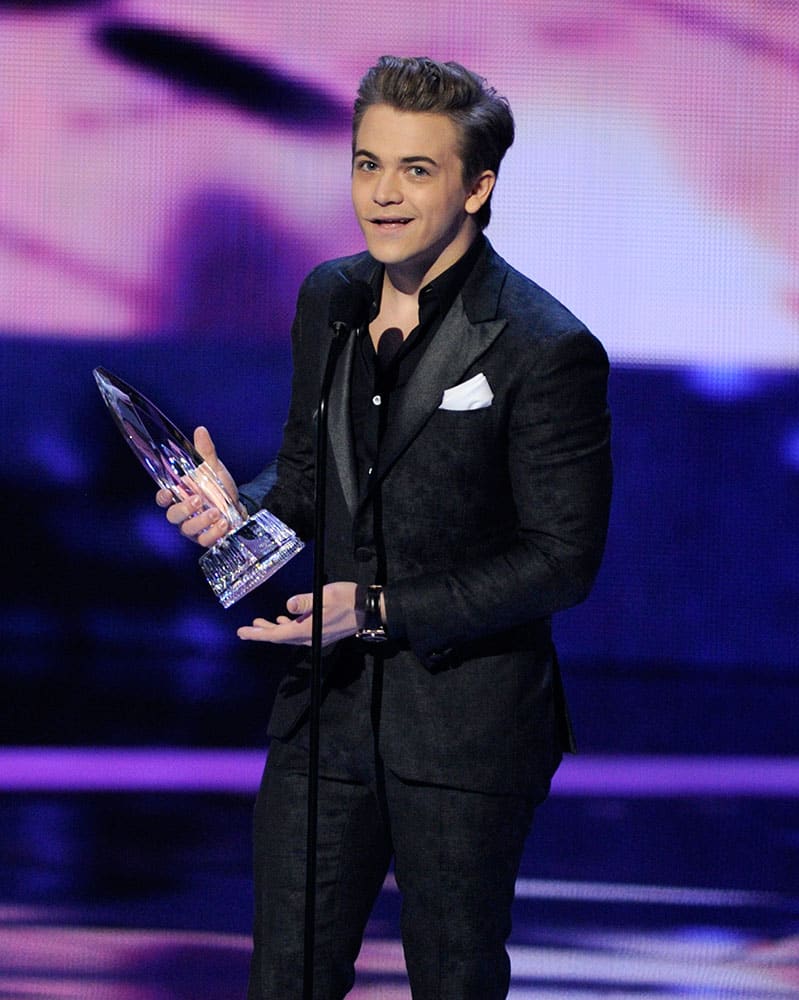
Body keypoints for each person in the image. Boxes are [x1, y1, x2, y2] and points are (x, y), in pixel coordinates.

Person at [158, 55, 612, 1000]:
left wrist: (371, 609)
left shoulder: (544, 346)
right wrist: (232, 511)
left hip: (465, 729)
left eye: (416, 169)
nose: (383, 193)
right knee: (285, 976)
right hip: (323, 717)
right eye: (368, 164)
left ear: (477, 186)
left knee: (451, 979)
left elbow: (561, 562)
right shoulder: (330, 298)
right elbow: (308, 483)